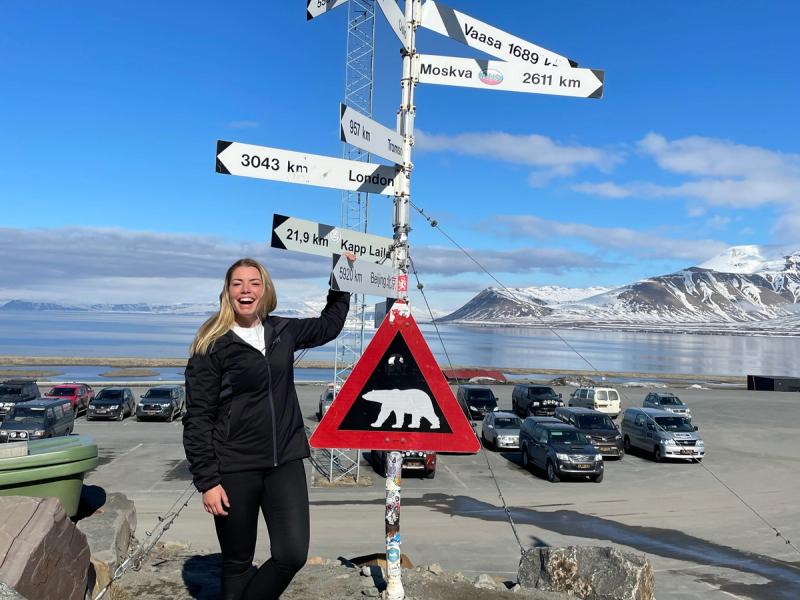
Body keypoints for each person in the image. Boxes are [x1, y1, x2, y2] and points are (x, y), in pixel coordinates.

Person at [182, 257, 350, 600]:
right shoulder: (211, 344)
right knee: (238, 563)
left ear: (265, 289)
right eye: (238, 283)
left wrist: (341, 275)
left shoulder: (282, 331)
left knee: (291, 555)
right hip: (234, 467)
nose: (246, 289)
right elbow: (197, 417)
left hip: (285, 461)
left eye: (254, 283)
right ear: (227, 292)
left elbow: (328, 325)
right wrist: (208, 481)